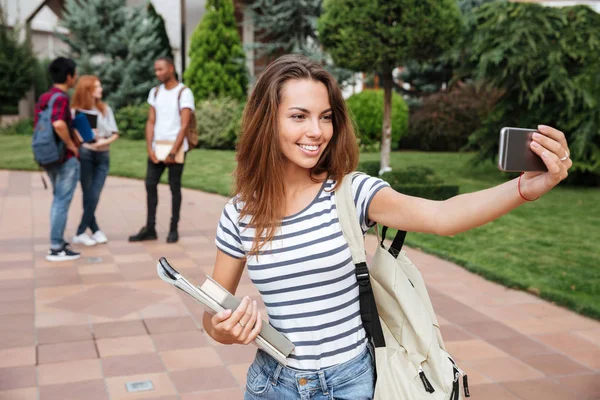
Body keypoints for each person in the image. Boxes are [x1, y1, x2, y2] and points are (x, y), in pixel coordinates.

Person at [203, 55, 572, 399]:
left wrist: (524, 188)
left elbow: (443, 217)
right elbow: (212, 315)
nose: (316, 131)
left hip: (353, 382)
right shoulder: (239, 214)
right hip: (273, 386)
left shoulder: (352, 192)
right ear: (268, 120)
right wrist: (225, 329)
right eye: (299, 116)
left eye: (326, 117)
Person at [129, 56, 194, 244]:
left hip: (176, 148)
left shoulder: (184, 92)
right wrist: (150, 148)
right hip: (158, 148)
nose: (157, 73)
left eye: (161, 69)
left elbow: (184, 125)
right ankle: (150, 228)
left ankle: (173, 229)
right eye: (156, 70)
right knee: (150, 185)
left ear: (171, 68)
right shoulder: (155, 92)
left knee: (175, 188)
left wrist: (173, 152)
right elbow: (151, 121)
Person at [35, 57, 81, 262]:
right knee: (62, 200)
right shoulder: (61, 97)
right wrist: (71, 145)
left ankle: (58, 242)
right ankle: (56, 247)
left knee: (57, 199)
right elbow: (58, 124)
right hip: (63, 157)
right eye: (75, 74)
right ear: (69, 76)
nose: (76, 77)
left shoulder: (45, 97)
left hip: (48, 156)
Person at [70, 75, 119, 246]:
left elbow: (115, 133)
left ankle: (82, 231)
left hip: (103, 154)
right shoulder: (76, 111)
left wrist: (103, 142)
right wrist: (86, 137)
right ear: (87, 90)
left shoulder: (105, 109)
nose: (101, 89)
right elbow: (76, 136)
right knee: (88, 194)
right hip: (86, 155)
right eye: (97, 86)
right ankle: (93, 230)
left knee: (94, 193)